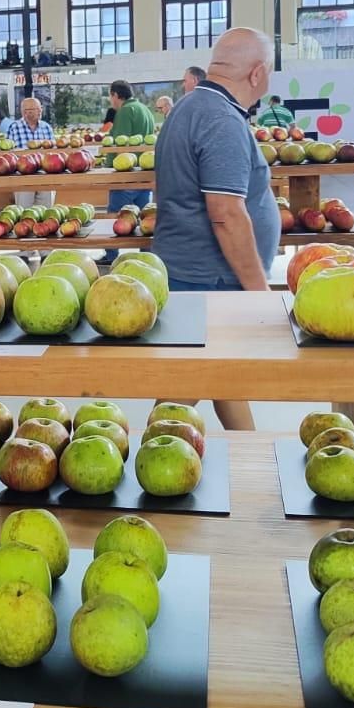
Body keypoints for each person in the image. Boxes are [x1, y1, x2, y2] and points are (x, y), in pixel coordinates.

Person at [151, 28, 279, 430]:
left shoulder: (189, 107)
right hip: (212, 279)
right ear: (258, 74)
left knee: (223, 373)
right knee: (187, 383)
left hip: (193, 274)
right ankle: (145, 457)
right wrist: (259, 293)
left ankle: (252, 452)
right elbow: (225, 214)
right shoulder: (221, 119)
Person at [98, 80, 157, 264]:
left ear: (116, 95)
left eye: (110, 96)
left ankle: (111, 256)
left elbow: (118, 144)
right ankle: (146, 256)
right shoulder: (145, 110)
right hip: (144, 172)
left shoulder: (125, 111)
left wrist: (108, 167)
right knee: (145, 217)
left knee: (115, 215)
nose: (111, 101)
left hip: (126, 175)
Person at [7, 96, 57, 213]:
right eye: (35, 110)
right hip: (23, 175)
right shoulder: (14, 127)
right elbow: (9, 153)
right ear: (24, 112)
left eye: (39, 109)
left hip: (45, 174)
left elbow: (53, 151)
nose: (39, 112)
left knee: (46, 210)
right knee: (24, 211)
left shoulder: (46, 127)